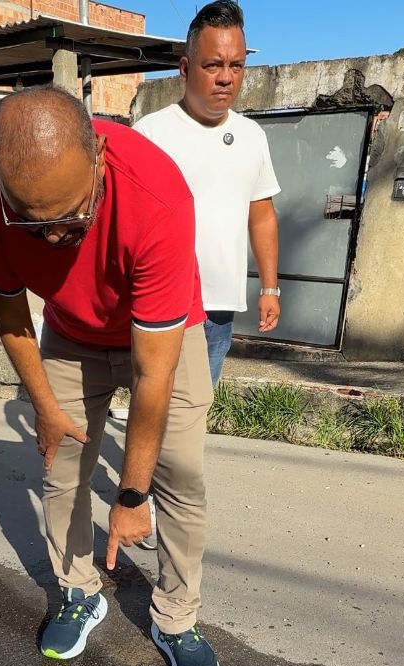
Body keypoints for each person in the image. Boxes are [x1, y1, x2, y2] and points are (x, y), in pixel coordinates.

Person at [0, 85, 221, 666]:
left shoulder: (158, 195)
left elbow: (153, 372)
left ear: (99, 155)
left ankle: (176, 618)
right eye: (35, 223)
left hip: (163, 334)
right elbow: (10, 313)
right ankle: (79, 591)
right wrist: (45, 407)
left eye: (72, 214)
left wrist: (131, 495)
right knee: (63, 471)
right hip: (70, 332)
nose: (55, 237)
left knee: (179, 476)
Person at [134, 0, 282, 388]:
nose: (226, 78)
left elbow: (261, 214)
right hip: (162, 303)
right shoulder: (150, 135)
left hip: (219, 308)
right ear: (185, 69)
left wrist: (270, 288)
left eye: (236, 66)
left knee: (200, 405)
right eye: (213, 65)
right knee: (155, 401)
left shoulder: (252, 136)